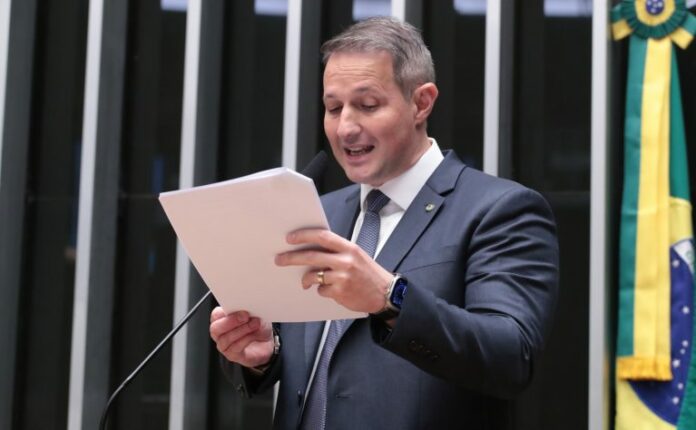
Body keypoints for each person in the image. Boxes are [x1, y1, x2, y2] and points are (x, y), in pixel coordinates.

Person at [209, 16, 558, 429]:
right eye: (333, 108)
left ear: (421, 103)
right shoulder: (319, 214)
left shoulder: (500, 210)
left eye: (368, 105)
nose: (345, 127)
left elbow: (510, 357)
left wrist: (390, 297)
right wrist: (263, 353)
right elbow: (313, 362)